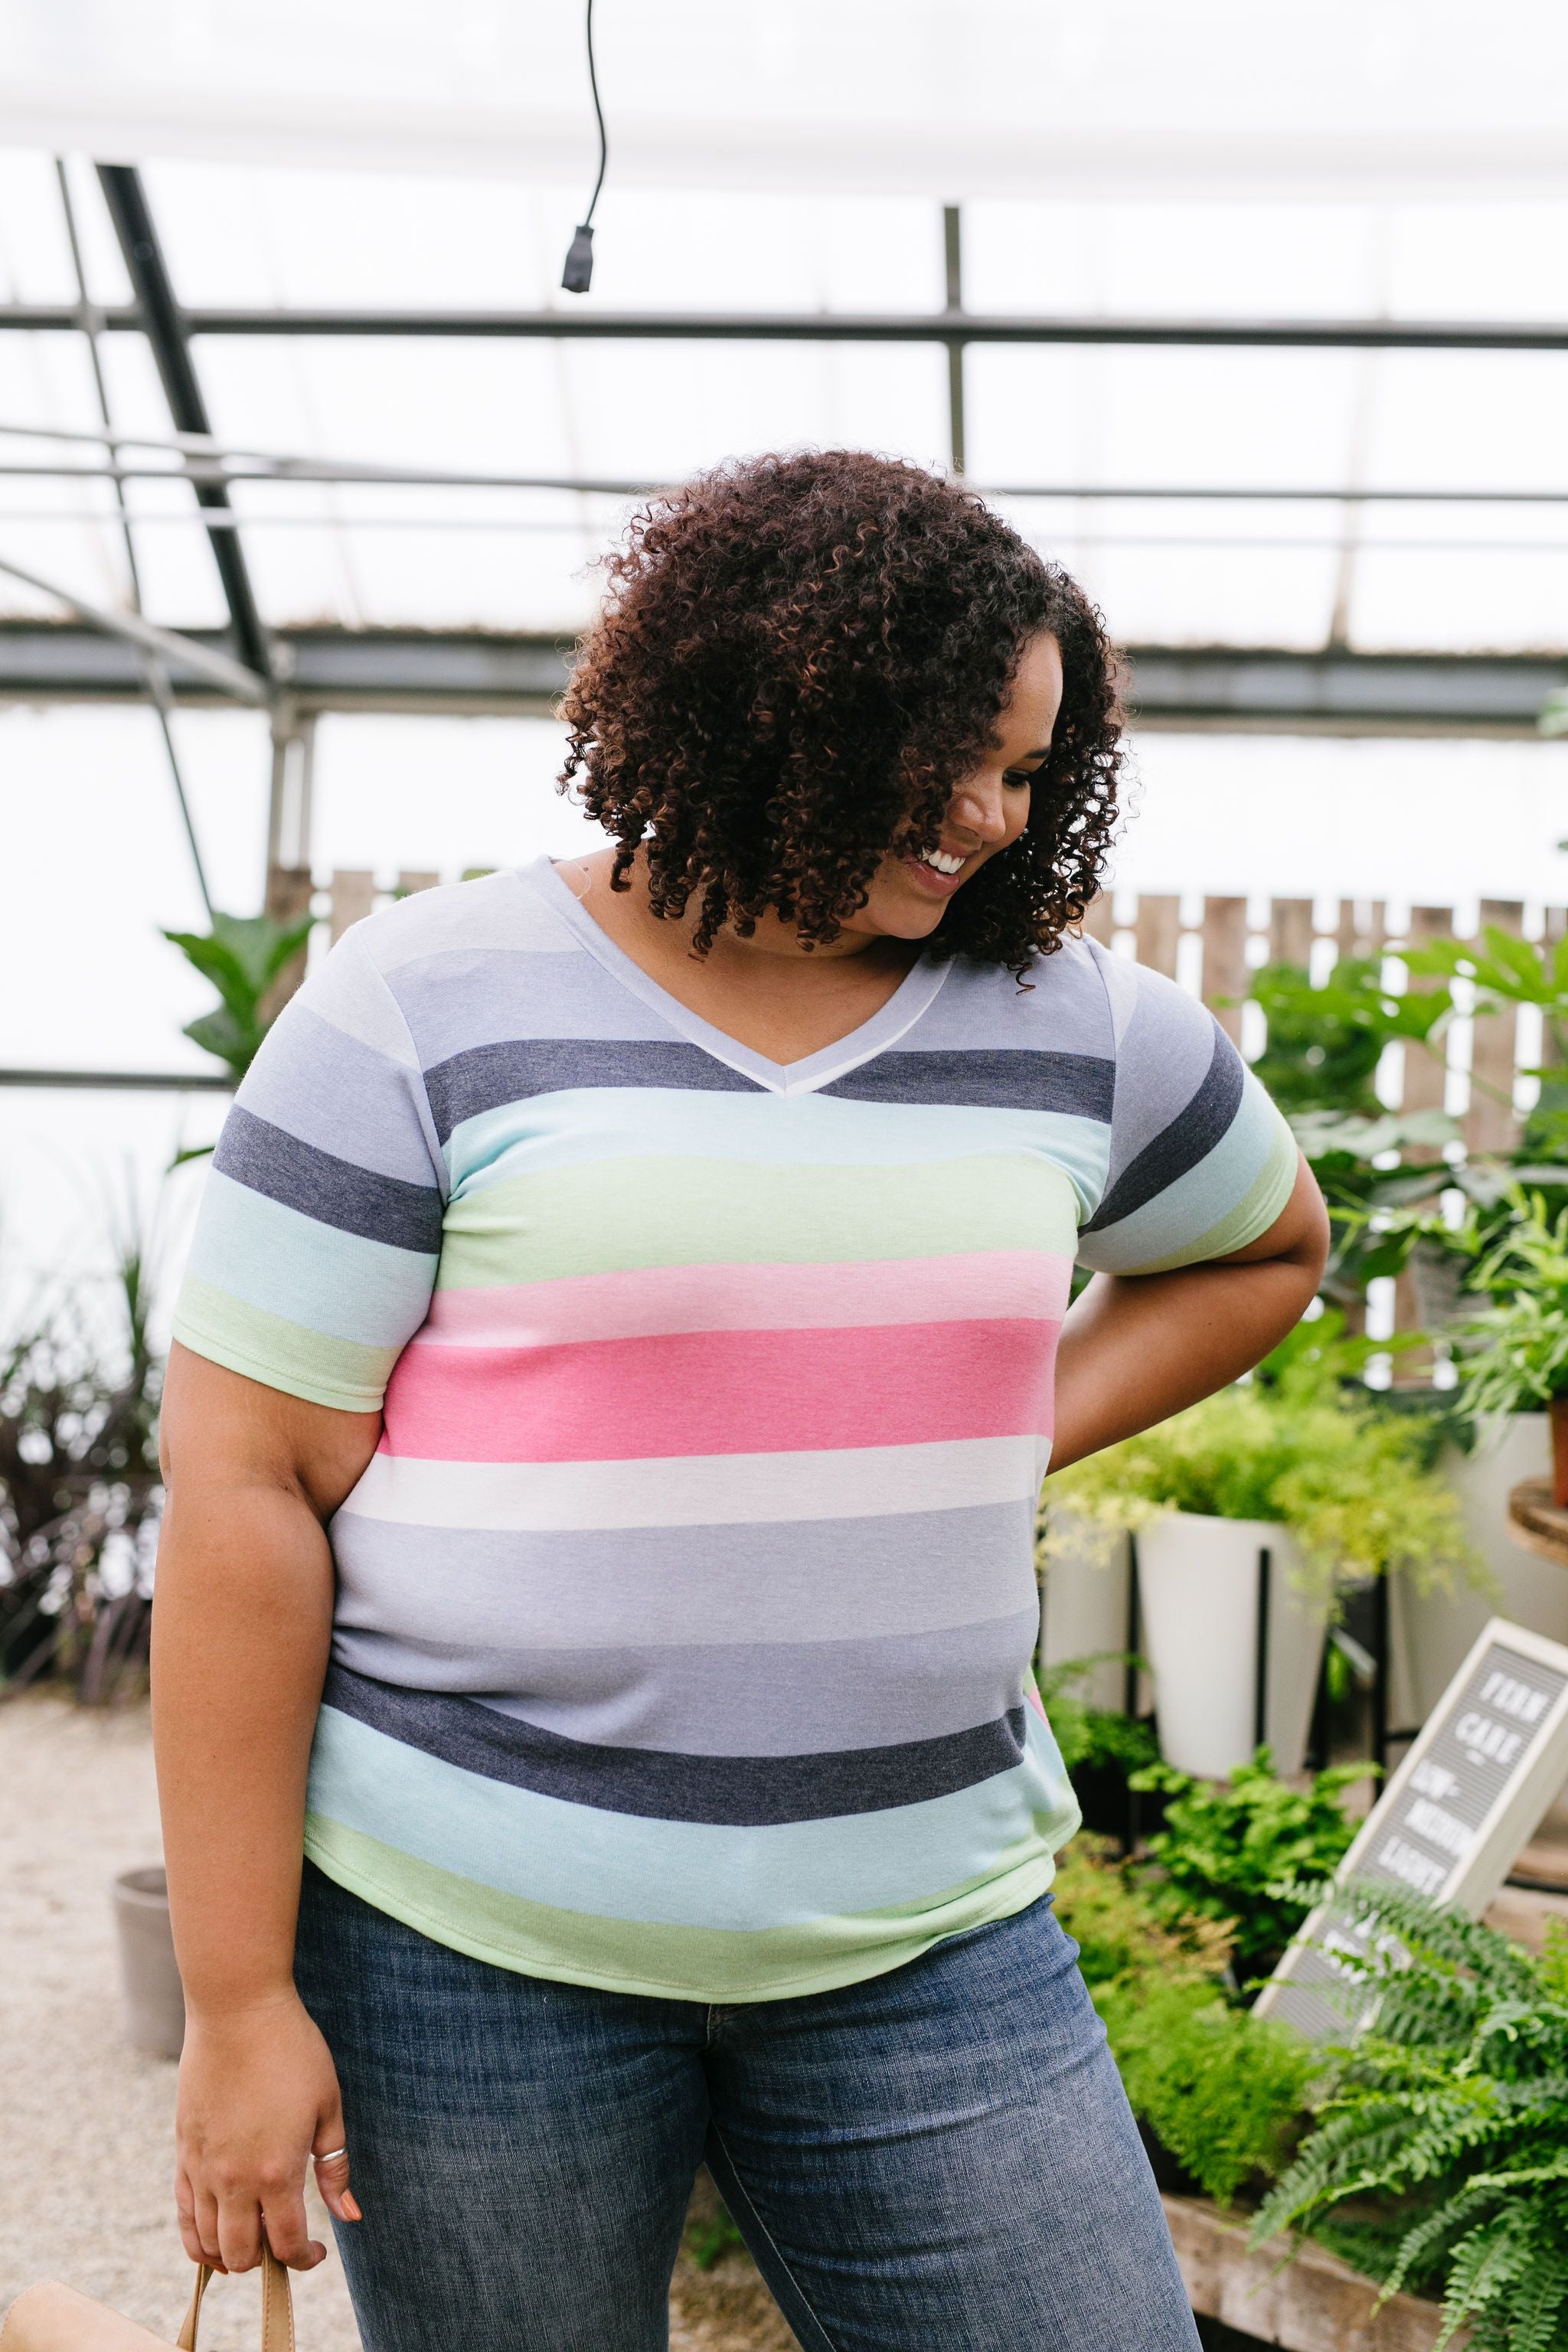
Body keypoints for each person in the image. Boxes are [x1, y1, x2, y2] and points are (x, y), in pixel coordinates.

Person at [154, 449, 1327, 2352]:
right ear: (756, 704)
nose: (981, 820)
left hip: (929, 1942)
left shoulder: (1078, 1023)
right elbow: (240, 1489)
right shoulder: (418, 1001)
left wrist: (987, 1431)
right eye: (938, 755)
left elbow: (1264, 1246)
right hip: (469, 1948)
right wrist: (236, 2004)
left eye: (1025, 773)